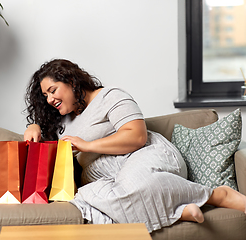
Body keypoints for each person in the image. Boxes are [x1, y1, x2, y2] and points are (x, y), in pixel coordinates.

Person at [24, 59, 246, 232]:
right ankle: (178, 211)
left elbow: (137, 136)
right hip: (105, 179)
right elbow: (50, 157)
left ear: (71, 81)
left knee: (133, 183)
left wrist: (88, 146)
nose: (49, 99)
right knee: (85, 198)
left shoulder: (110, 96)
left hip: (142, 156)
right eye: (45, 96)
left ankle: (216, 195)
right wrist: (34, 126)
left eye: (53, 90)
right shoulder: (63, 120)